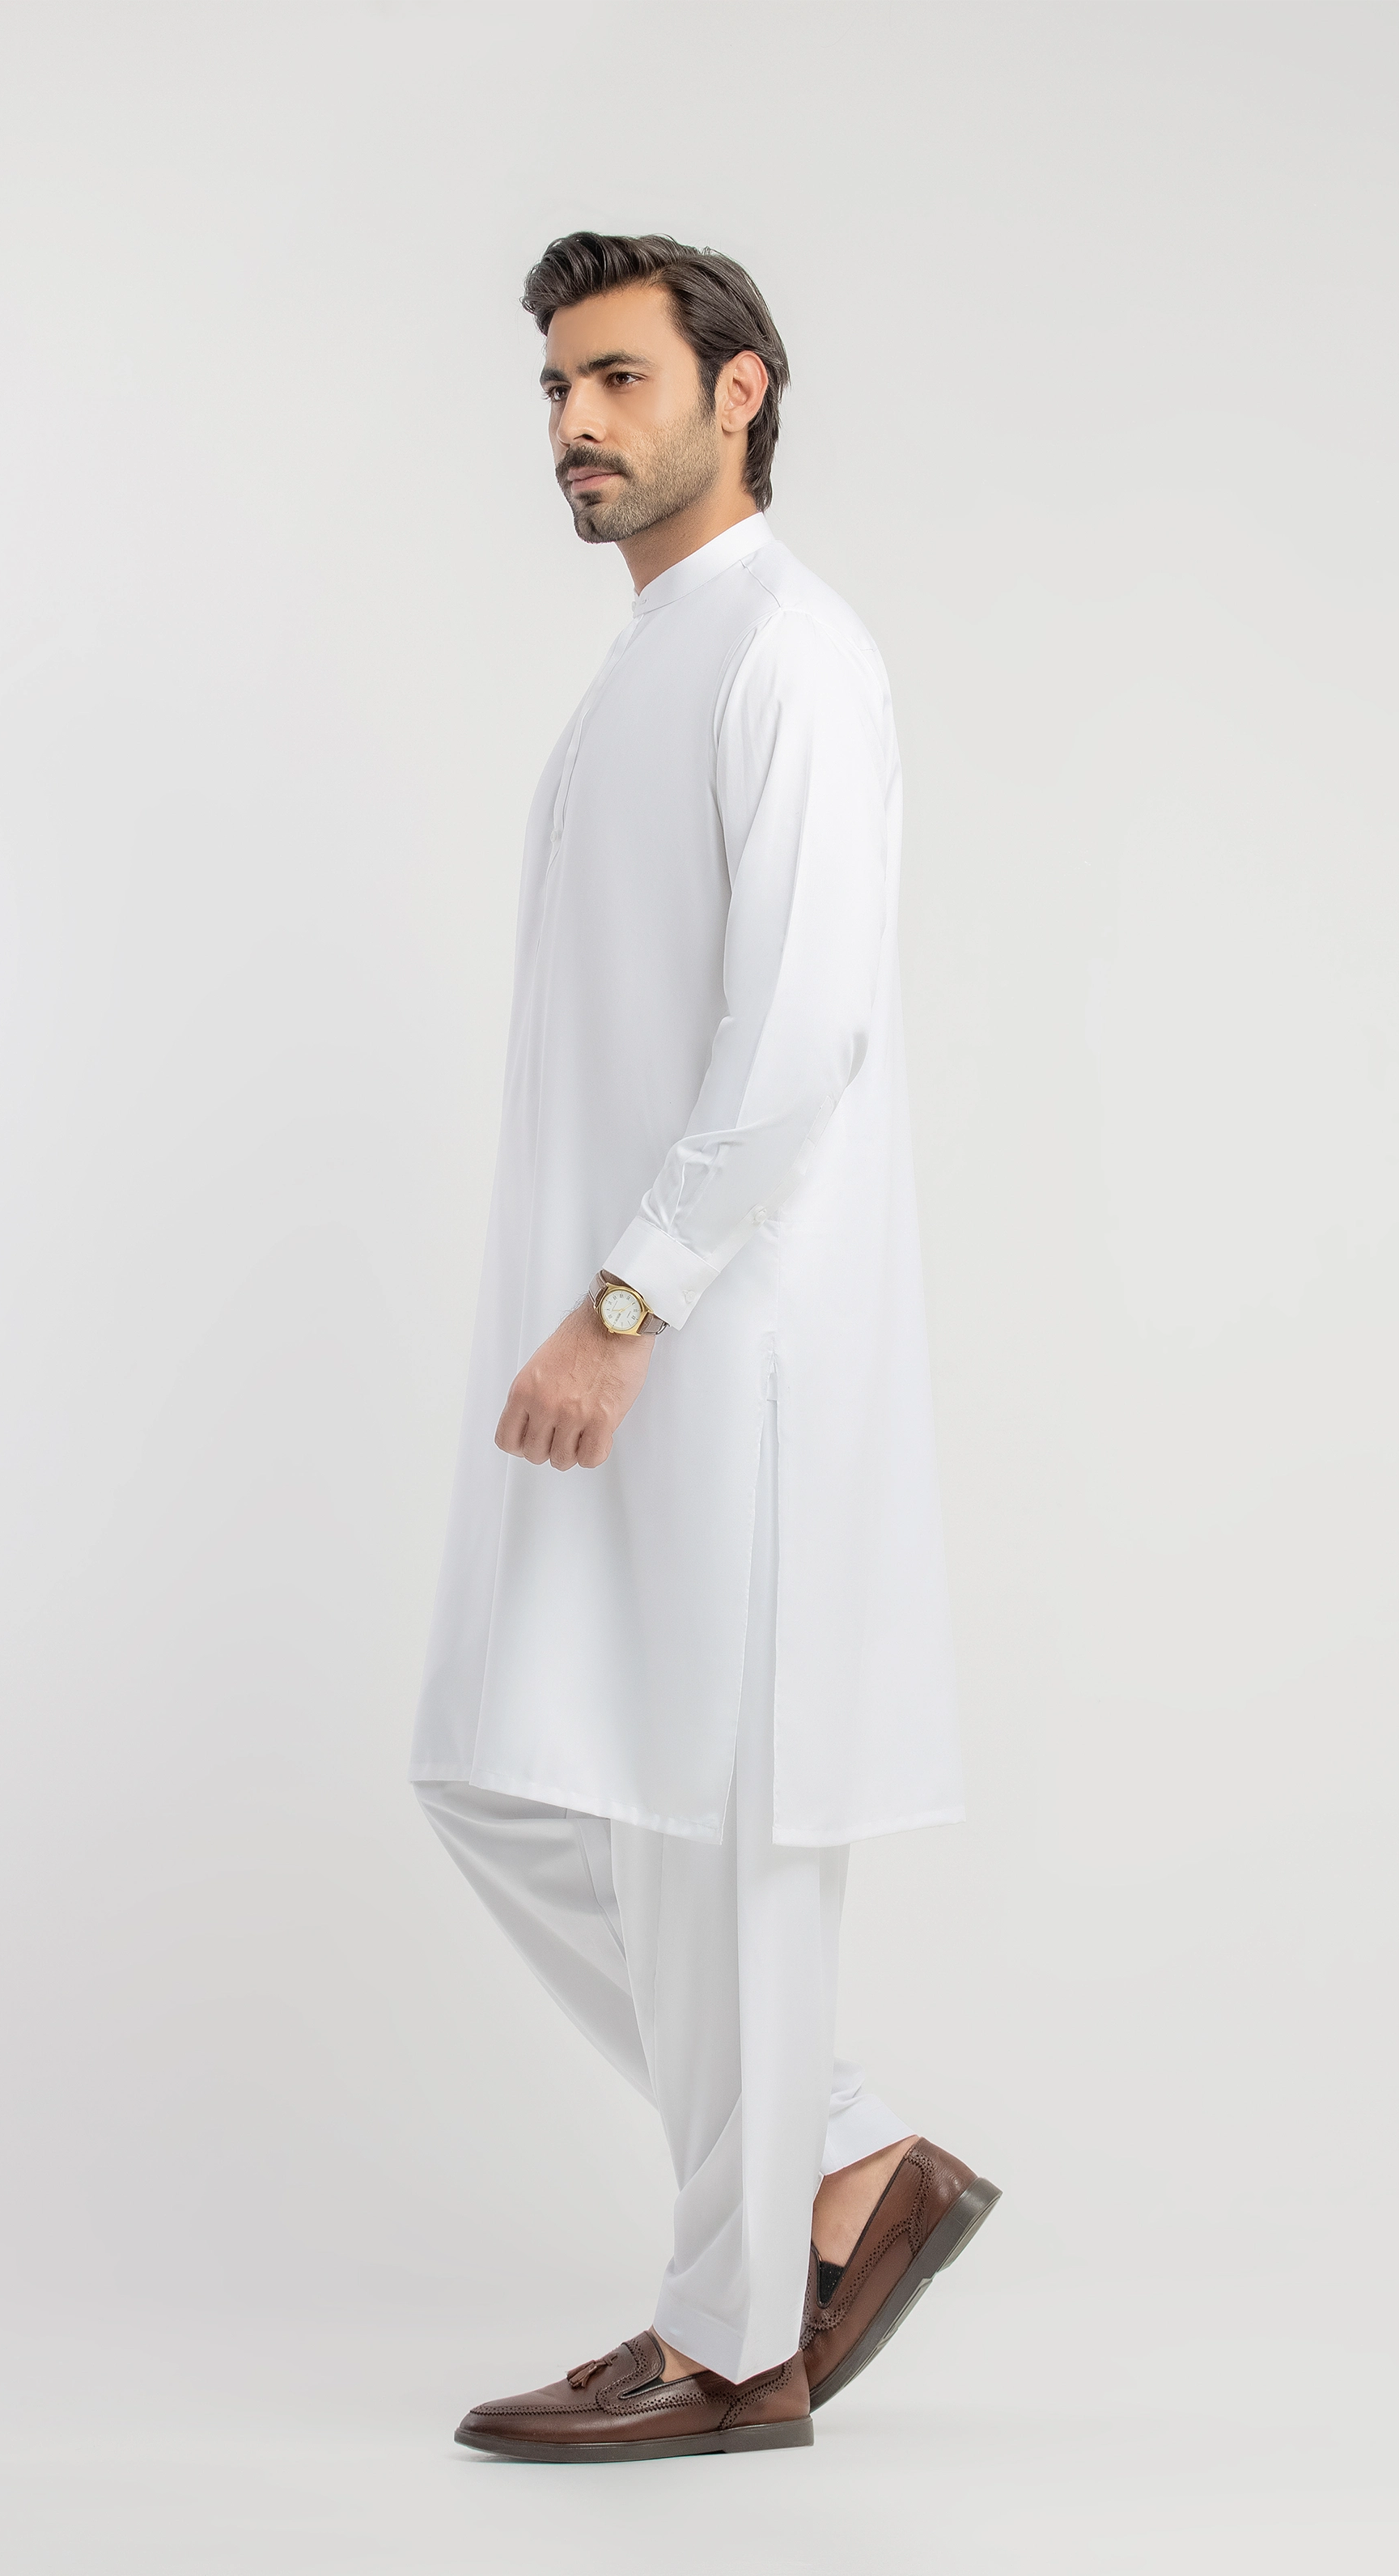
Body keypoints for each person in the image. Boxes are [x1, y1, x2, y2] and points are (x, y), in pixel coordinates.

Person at [410, 231, 995, 2463]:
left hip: (728, 1357)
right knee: (504, 1775)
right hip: (631, 1350)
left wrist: (632, 1298)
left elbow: (802, 1024)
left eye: (621, 379)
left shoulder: (791, 652)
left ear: (739, 390)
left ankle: (735, 2347)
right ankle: (840, 2162)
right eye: (558, 387)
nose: (576, 423)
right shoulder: (651, 664)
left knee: (725, 1838)